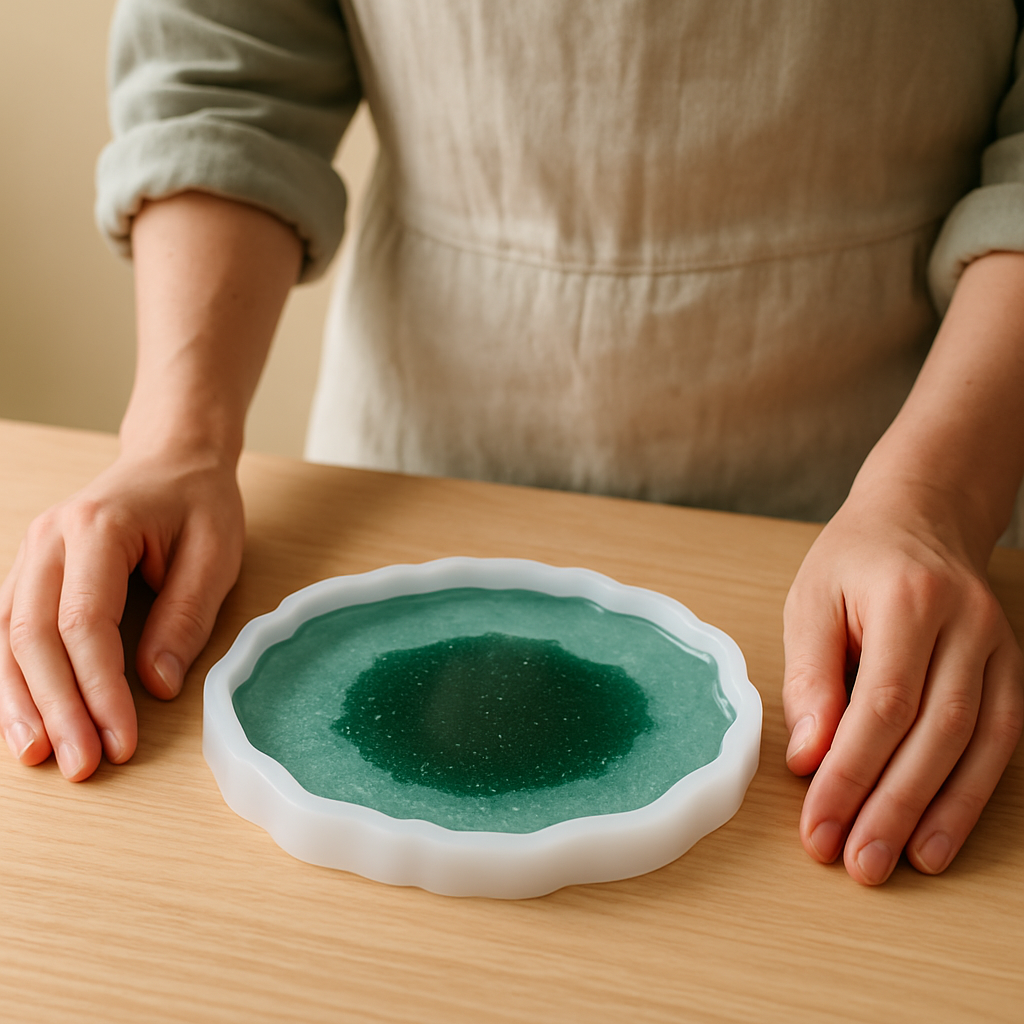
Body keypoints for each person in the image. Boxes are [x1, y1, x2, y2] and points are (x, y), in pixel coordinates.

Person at [2, 1, 1023, 887]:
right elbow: (229, 62)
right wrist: (174, 440)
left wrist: (932, 499)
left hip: (874, 518)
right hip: (407, 480)